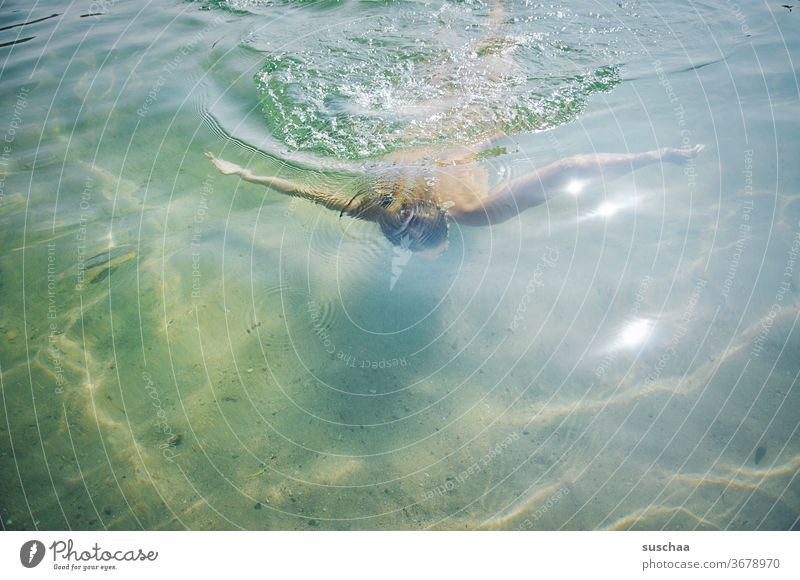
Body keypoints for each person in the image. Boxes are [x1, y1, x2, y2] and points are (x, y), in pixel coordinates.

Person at [206, 143, 704, 259]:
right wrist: (243, 172)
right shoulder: (374, 207)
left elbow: (573, 169)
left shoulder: (473, 214)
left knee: (489, 47)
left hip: (469, 123)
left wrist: (661, 155)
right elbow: (301, 188)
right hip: (427, 130)